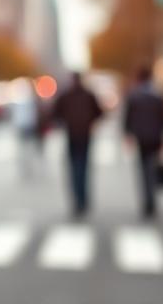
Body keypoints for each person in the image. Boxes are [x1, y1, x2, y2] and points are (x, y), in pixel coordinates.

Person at [51, 71, 103, 217]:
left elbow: (55, 113)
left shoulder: (66, 95)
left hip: (72, 135)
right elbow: (99, 113)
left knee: (74, 169)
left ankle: (77, 200)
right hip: (84, 135)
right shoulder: (88, 95)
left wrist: (65, 122)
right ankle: (83, 199)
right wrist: (90, 122)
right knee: (84, 168)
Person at [123, 67, 163, 218]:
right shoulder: (158, 95)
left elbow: (128, 118)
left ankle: (147, 200)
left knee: (144, 170)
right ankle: (151, 200)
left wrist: (128, 134)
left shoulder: (134, 96)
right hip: (155, 137)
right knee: (151, 168)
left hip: (141, 137)